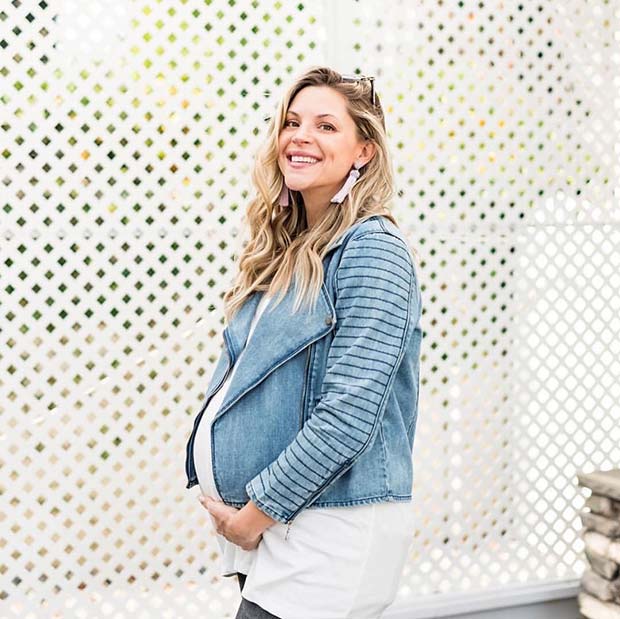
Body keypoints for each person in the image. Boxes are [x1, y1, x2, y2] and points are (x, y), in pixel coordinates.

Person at [184, 66, 423, 619]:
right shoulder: (295, 250)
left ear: (364, 151)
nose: (300, 136)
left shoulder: (373, 251)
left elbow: (348, 414)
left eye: (325, 126)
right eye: (292, 122)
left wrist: (254, 513)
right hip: (286, 525)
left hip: (335, 527)